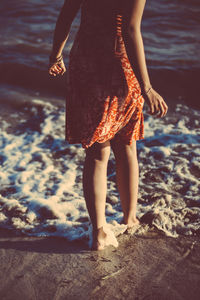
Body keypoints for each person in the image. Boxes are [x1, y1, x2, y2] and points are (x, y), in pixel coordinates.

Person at [48, 0, 168, 250]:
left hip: (85, 61)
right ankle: (130, 218)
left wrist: (55, 55)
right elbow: (130, 29)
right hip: (120, 64)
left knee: (97, 151)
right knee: (126, 143)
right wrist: (146, 88)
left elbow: (66, 14)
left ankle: (99, 231)